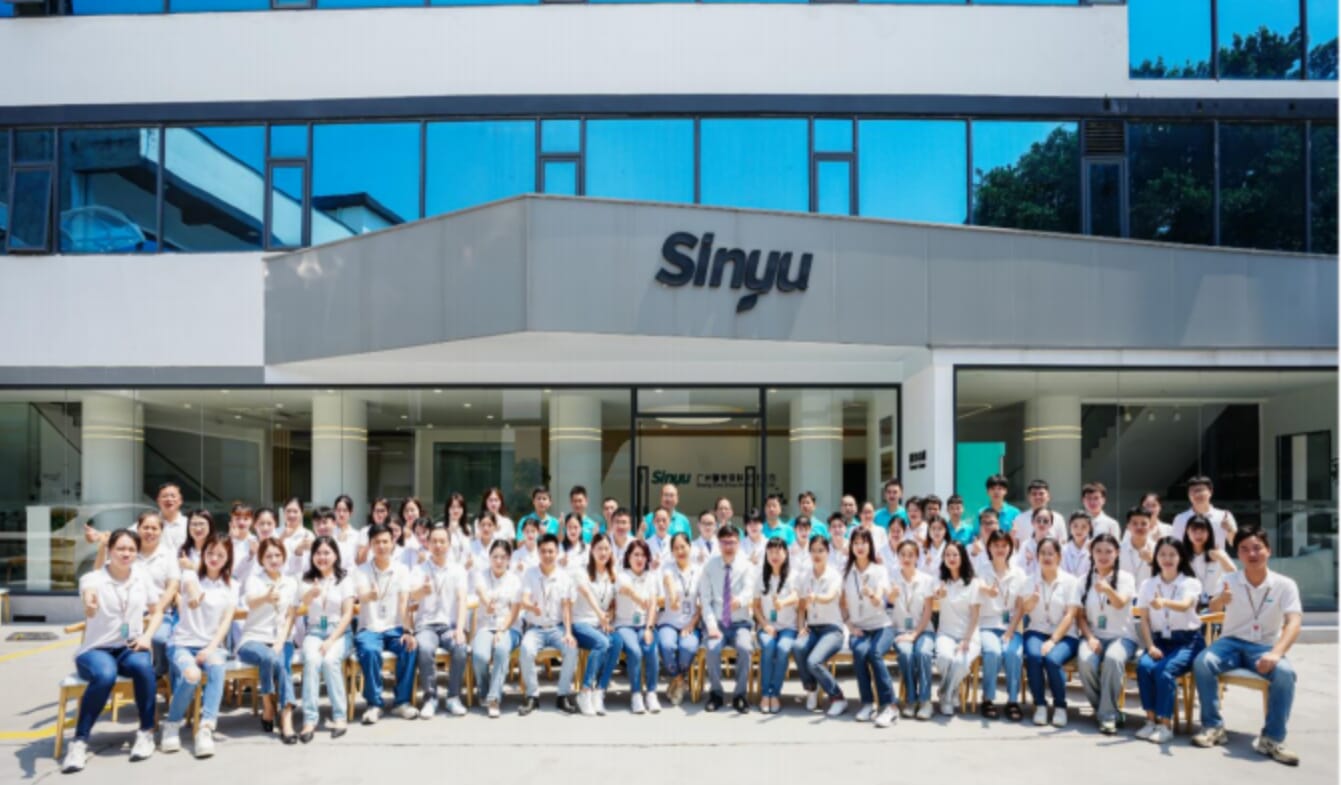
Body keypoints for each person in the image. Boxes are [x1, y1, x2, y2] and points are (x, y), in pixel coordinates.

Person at [1191, 528, 1303, 765]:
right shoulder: (1229, 580)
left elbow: (1294, 622)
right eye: (1244, 549)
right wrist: (1220, 600)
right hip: (1230, 642)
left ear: (1268, 550)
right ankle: (1213, 727)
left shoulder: (1285, 584)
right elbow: (1213, 608)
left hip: (1264, 646)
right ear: (1238, 554)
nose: (1251, 554)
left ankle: (1272, 739)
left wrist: (1276, 653)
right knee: (1203, 662)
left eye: (1257, 548)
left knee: (1285, 673)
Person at [61, 529, 165, 774]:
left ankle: (146, 732)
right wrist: (89, 606)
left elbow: (157, 610)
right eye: (121, 548)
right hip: (96, 649)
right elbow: (89, 598)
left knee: (144, 668)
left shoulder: (141, 577)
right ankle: (79, 742)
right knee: (105, 675)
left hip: (129, 646)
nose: (126, 553)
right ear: (109, 550)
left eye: (131, 549)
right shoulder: (93, 578)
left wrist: (147, 637)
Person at [162, 533, 236, 757]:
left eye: (221, 555)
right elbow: (191, 587)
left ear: (228, 558)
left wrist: (211, 648)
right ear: (203, 554)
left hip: (211, 645)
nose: (214, 558)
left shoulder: (232, 585)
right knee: (192, 675)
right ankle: (172, 724)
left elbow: (226, 622)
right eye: (210, 553)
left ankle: (206, 728)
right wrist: (194, 596)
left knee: (217, 666)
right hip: (182, 643)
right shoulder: (190, 574)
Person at [1134, 537, 1204, 744]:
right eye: (1162, 554)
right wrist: (1150, 646)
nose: (1167, 559)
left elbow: (1185, 605)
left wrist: (1164, 602)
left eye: (1172, 554)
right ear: (1156, 558)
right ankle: (1150, 720)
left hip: (1187, 641)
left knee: (1164, 671)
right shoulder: (1148, 584)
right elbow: (1144, 619)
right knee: (1144, 667)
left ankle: (1165, 725)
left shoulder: (1190, 583)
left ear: (1181, 557)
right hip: (1159, 641)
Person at [95, 511, 180, 679]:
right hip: (127, 616)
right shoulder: (128, 552)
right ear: (138, 528)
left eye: (154, 528)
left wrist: (156, 610)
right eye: (145, 527)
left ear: (161, 531)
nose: (150, 532)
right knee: (122, 640)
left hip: (159, 613)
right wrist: (102, 547)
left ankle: (157, 673)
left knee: (159, 639)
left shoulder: (168, 554)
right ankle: (124, 673)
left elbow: (173, 586)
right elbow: (98, 573)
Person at [1073, 533, 1138, 735]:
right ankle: (1108, 710)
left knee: (1113, 658)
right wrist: (1090, 638)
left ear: (1117, 553)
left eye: (1108, 551)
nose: (1103, 555)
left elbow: (1120, 603)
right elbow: (1080, 616)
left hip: (1123, 637)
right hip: (1094, 635)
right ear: (1091, 553)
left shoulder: (1126, 578)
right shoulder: (1083, 581)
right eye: (1098, 551)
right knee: (1085, 661)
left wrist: (1108, 590)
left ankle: (1107, 716)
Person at [353, 523, 418, 724]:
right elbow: (360, 596)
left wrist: (408, 631)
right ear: (371, 544)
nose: (381, 546)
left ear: (392, 543)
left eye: (385, 541)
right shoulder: (361, 570)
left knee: (409, 646)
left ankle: (402, 702)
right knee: (370, 651)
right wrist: (368, 595)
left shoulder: (402, 570)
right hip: (370, 628)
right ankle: (375, 704)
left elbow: (404, 603)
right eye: (377, 542)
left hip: (394, 627)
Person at [237, 537, 299, 744]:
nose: (274, 560)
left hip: (281, 639)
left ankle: (286, 717)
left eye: (278, 555)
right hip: (253, 638)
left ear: (284, 557)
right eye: (269, 556)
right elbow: (250, 602)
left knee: (281, 664)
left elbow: (291, 616)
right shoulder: (254, 580)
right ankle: (268, 704)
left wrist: (280, 641)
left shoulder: (291, 582)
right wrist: (265, 597)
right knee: (270, 658)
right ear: (261, 559)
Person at [408, 524, 470, 719]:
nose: (438, 545)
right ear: (427, 544)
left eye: (442, 541)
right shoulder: (419, 569)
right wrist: (422, 591)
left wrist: (460, 629)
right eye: (434, 541)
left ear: (449, 544)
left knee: (460, 647)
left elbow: (462, 600)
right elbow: (411, 597)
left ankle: (453, 697)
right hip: (426, 626)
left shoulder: (458, 570)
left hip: (449, 626)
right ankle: (430, 698)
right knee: (425, 648)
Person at [298, 536, 355, 741]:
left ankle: (339, 717)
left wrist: (331, 640)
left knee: (330, 662)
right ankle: (309, 720)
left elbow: (348, 614)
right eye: (318, 553)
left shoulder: (344, 580)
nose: (322, 557)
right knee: (312, 661)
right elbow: (303, 603)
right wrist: (311, 593)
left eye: (326, 553)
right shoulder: (306, 579)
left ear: (335, 555)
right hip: (314, 632)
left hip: (339, 632)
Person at [1020, 537, 1080, 727]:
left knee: (1053, 660)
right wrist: (1032, 600)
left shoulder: (1071, 582)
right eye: (1042, 553)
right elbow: (1025, 609)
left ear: (1059, 557)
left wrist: (1053, 641)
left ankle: (1060, 706)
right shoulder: (1030, 580)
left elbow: (1070, 615)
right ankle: (1040, 704)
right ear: (1037, 556)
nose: (1046, 557)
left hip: (1065, 634)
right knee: (1034, 657)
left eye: (1050, 553)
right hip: (1036, 630)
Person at [518, 533, 580, 715]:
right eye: (543, 551)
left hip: (557, 628)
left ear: (557, 552)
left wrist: (568, 632)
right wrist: (530, 606)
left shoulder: (564, 576)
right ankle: (532, 696)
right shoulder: (530, 573)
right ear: (538, 552)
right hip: (535, 628)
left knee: (571, 648)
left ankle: (562, 695)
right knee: (526, 650)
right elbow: (524, 598)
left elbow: (566, 607)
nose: (547, 555)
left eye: (551, 551)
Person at [698, 524, 756, 713]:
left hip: (740, 623)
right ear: (718, 543)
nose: (728, 546)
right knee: (712, 648)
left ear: (738, 543)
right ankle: (716, 693)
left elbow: (749, 591)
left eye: (732, 542)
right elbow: (705, 601)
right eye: (724, 542)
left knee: (745, 648)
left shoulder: (746, 565)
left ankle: (740, 695)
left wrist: (740, 601)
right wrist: (711, 626)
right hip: (718, 623)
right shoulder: (710, 566)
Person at [842, 528, 896, 726]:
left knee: (875, 653)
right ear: (851, 547)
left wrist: (873, 595)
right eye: (856, 543)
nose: (860, 547)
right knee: (859, 651)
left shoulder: (879, 570)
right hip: (859, 628)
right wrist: (850, 626)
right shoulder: (847, 573)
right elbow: (842, 604)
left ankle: (889, 706)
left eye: (863, 542)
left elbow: (882, 600)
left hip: (882, 626)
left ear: (870, 545)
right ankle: (867, 703)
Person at [794, 535, 849, 717]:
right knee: (798, 646)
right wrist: (801, 627)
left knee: (814, 661)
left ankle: (838, 697)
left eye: (821, 550)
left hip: (832, 630)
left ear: (828, 552)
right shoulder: (805, 576)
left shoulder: (834, 575)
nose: (817, 554)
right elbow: (801, 607)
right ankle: (811, 688)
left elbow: (831, 596)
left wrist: (816, 597)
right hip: (813, 628)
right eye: (813, 551)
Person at [603, 540, 661, 714]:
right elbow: (626, 589)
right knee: (635, 651)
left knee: (650, 648)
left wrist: (649, 628)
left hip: (644, 624)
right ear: (628, 557)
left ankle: (651, 693)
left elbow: (653, 605)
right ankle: (636, 694)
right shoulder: (621, 575)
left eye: (643, 555)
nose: (639, 559)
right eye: (636, 555)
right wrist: (639, 600)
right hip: (624, 625)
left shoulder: (651, 577)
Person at [977, 530, 1026, 721]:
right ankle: (988, 698)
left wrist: (1010, 631)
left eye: (1004, 545)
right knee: (993, 652)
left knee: (1013, 653)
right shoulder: (981, 570)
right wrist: (985, 589)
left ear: (1010, 548)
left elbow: (1020, 607)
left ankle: (1012, 700)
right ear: (989, 548)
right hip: (987, 625)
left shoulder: (1018, 573)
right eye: (996, 545)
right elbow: (976, 587)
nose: (1000, 549)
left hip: (1011, 626)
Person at [472, 539, 522, 718]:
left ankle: (494, 699)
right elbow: (480, 591)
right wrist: (487, 604)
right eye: (495, 557)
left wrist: (502, 630)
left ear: (509, 559)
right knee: (480, 655)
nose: (499, 561)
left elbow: (514, 612)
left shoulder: (514, 580)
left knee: (501, 649)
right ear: (489, 557)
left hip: (509, 627)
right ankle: (484, 690)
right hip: (486, 626)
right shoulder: (481, 575)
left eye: (503, 557)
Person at [887, 540, 935, 720]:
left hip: (924, 629)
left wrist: (915, 634)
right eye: (903, 555)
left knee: (923, 653)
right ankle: (910, 699)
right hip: (900, 630)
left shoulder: (926, 580)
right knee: (906, 654)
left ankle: (925, 701)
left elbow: (928, 611)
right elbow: (888, 603)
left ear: (917, 557)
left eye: (911, 555)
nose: (906, 558)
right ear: (898, 556)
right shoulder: (891, 577)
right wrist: (891, 596)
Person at [933, 541, 981, 717]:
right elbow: (934, 603)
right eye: (947, 555)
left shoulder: (973, 583)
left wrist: (966, 640)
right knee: (945, 658)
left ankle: (945, 693)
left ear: (963, 557)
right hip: (946, 633)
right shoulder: (940, 581)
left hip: (969, 635)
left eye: (955, 555)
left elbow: (975, 615)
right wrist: (938, 596)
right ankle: (952, 691)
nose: (951, 558)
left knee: (960, 662)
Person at [573, 534, 618, 716]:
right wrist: (600, 615)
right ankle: (585, 691)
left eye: (606, 548)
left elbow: (613, 603)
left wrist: (608, 617)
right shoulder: (581, 572)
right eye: (599, 548)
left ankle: (600, 691)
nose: (603, 552)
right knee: (602, 642)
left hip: (600, 625)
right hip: (582, 623)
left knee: (617, 641)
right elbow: (587, 594)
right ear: (592, 550)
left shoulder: (612, 575)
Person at [755, 537, 800, 715]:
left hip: (788, 627)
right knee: (768, 646)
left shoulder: (792, 575)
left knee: (782, 648)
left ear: (786, 553)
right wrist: (765, 625)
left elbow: (796, 596)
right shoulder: (760, 577)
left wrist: (783, 602)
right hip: (767, 626)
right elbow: (756, 607)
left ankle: (775, 693)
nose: (774, 555)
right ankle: (765, 694)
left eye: (778, 551)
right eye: (771, 552)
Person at [658, 532, 701, 706]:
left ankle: (676, 681)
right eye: (676, 548)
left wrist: (691, 624)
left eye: (683, 546)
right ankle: (679, 680)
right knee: (667, 645)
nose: (680, 551)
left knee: (688, 647)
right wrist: (673, 598)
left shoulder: (699, 570)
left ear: (690, 547)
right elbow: (669, 582)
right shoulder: (668, 567)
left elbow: (702, 604)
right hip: (669, 621)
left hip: (690, 622)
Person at [1182, 514, 1237, 609]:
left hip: (1216, 603)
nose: (1198, 535)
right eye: (1194, 530)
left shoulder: (1218, 553)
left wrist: (1221, 558)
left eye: (1202, 530)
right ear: (1187, 532)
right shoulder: (1180, 555)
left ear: (1209, 533)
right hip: (1189, 604)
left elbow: (1234, 574)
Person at [1171, 475, 1237, 551]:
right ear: (1188, 494)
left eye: (1200, 490)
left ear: (1210, 492)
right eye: (1193, 491)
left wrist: (1230, 530)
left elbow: (1235, 543)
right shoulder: (1180, 519)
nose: (1197, 494)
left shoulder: (1224, 516)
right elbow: (1176, 547)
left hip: (1216, 558)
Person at [1018, 480, 1068, 546]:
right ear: (1029, 497)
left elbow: (1063, 543)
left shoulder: (1058, 518)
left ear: (1048, 497)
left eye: (1041, 494)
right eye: (1034, 494)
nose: (1037, 497)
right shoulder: (1020, 519)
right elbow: (1016, 545)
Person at [1119, 506, 1157, 589]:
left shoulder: (1158, 549)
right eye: (1135, 523)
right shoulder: (1118, 549)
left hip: (1149, 594)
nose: (1139, 527)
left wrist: (1152, 561)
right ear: (1128, 526)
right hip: (1123, 594)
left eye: (1144, 524)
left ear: (1150, 526)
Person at [975, 474, 1021, 541]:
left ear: (1005, 491)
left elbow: (1019, 536)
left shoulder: (1015, 513)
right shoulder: (981, 512)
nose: (996, 492)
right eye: (993, 488)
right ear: (987, 492)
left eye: (999, 489)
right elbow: (977, 534)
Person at [443, 492, 473, 567]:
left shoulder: (468, 529)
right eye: (452, 507)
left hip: (465, 570)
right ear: (448, 509)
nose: (456, 510)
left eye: (459, 507)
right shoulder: (441, 528)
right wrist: (449, 530)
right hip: (447, 569)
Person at [331, 494, 360, 570]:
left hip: (351, 575)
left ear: (351, 512)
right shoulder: (329, 533)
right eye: (338, 510)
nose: (341, 514)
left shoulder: (357, 535)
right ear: (334, 511)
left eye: (345, 510)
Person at [1061, 511, 1093, 578]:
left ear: (1090, 528)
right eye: (1075, 526)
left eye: (1084, 527)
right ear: (1070, 527)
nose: (1079, 530)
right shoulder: (1063, 549)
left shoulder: (1094, 548)